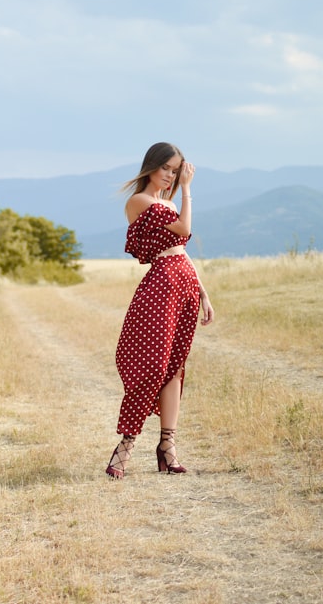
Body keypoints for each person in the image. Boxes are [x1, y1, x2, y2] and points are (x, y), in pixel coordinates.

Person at [105, 142, 215, 479]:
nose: (170, 176)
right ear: (151, 166)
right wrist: (187, 189)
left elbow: (181, 249)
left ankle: (168, 447)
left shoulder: (165, 204)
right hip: (162, 287)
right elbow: (184, 230)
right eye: (167, 168)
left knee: (174, 368)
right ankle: (126, 446)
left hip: (183, 284)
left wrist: (203, 293)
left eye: (176, 170)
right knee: (153, 365)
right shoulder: (141, 201)